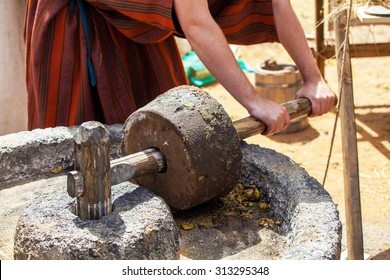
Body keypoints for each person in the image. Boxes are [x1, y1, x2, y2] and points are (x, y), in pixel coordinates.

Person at [24, 0, 335, 135]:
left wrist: (313, 77)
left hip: (145, 24)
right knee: (79, 151)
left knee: (167, 129)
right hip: (80, 25)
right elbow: (196, 21)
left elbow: (278, 3)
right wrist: (254, 101)